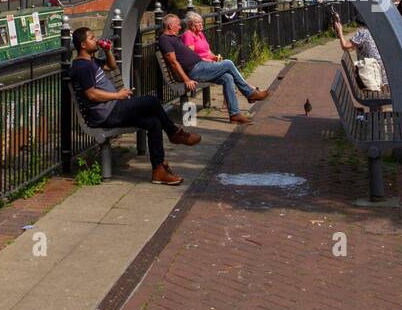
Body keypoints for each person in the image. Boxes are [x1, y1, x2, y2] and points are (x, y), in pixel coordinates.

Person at [70, 27, 200, 185]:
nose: (95, 39)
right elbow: (91, 94)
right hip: (107, 114)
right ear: (83, 45)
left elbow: (111, 67)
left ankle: (158, 170)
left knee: (154, 122)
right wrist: (118, 95)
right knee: (151, 101)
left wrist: (108, 51)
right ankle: (173, 132)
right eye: (92, 38)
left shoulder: (91, 61)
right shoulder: (82, 67)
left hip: (114, 107)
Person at [159, 13, 269, 124]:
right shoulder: (165, 39)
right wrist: (186, 80)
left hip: (201, 66)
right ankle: (249, 93)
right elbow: (173, 62)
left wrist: (210, 58)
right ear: (169, 26)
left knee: (227, 77)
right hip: (195, 70)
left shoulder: (173, 38)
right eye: (177, 25)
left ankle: (235, 115)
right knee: (228, 63)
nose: (180, 27)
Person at [330, 10, 388, 88]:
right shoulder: (372, 30)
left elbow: (345, 46)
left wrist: (340, 31)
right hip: (380, 72)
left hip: (372, 73)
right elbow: (351, 48)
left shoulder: (362, 32)